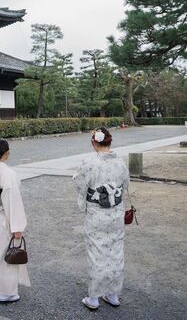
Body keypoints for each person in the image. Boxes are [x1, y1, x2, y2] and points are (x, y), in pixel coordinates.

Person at [72, 127, 130, 310]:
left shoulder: (89, 163)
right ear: (109, 141)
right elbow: (125, 184)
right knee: (115, 252)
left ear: (93, 142)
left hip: (96, 213)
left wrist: (84, 202)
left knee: (96, 253)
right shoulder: (121, 163)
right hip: (115, 213)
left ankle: (94, 298)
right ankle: (112, 294)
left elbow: (79, 183)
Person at [0, 138, 30, 303]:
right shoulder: (8, 174)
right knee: (6, 255)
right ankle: (7, 292)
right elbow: (12, 201)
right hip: (4, 217)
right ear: (6, 154)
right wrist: (17, 226)